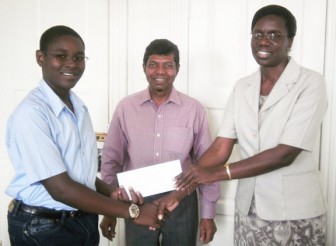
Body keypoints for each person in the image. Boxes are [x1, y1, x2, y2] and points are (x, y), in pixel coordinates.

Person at [174, 5, 328, 246]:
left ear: (291, 41)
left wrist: (214, 174)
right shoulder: (243, 86)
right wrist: (181, 186)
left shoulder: (310, 83)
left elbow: (285, 153)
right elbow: (221, 147)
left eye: (274, 35)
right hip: (249, 210)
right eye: (258, 34)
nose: (264, 42)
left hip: (294, 212)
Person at [5, 25, 161, 246]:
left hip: (81, 220)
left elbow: (80, 173)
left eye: (78, 57)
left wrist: (110, 192)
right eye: (61, 56)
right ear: (41, 58)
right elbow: (60, 188)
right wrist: (134, 211)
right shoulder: (32, 114)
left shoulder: (78, 107)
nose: (71, 63)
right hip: (43, 226)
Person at [100, 39, 220, 245]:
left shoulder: (194, 109)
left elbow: (206, 164)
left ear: (177, 69)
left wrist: (207, 214)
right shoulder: (126, 108)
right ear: (144, 67)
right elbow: (111, 159)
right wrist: (109, 209)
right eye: (153, 64)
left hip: (181, 199)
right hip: (135, 199)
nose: (160, 71)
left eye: (168, 65)